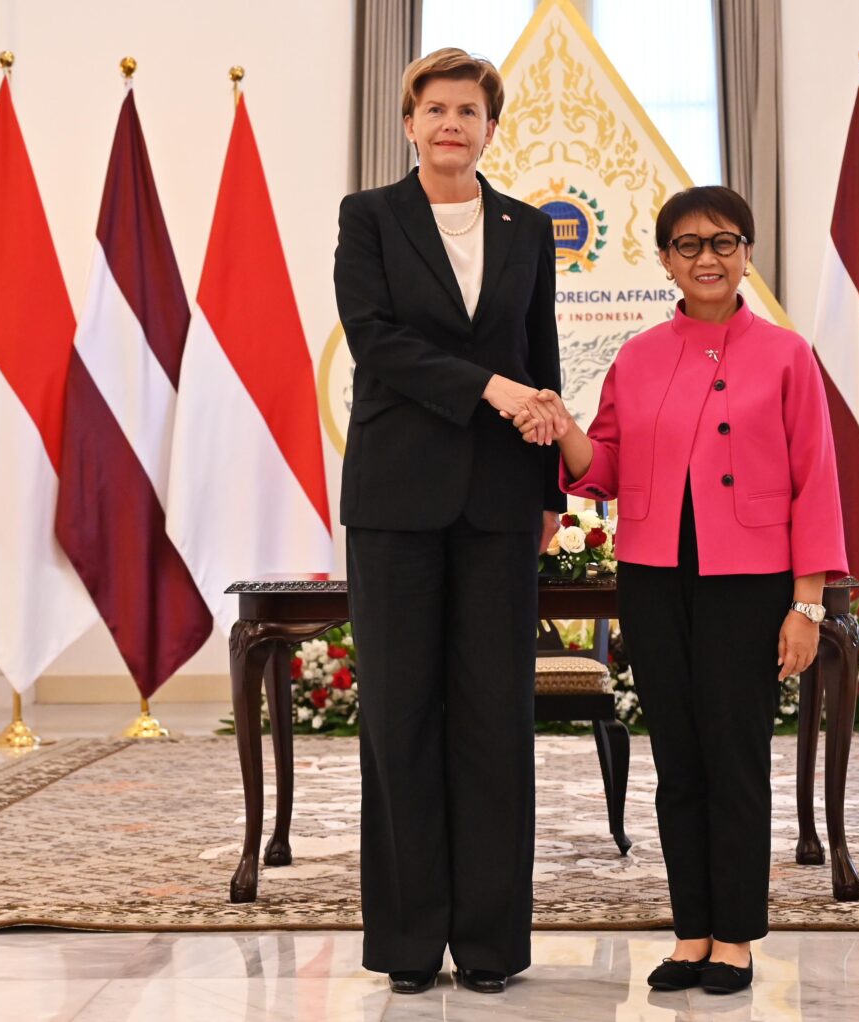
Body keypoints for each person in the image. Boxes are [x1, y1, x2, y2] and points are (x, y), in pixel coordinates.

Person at [513, 186, 848, 995]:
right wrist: (564, 431)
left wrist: (807, 604)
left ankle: (735, 938)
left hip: (752, 584)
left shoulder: (788, 355)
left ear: (746, 255)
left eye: (724, 242)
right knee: (679, 761)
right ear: (665, 259)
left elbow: (817, 484)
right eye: (689, 244)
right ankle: (690, 932)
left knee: (734, 758)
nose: (707, 258)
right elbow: (609, 468)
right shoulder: (637, 356)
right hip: (655, 580)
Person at [333, 47, 568, 996]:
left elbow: (540, 346)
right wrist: (490, 388)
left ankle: (489, 946)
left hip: (503, 501)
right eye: (433, 109)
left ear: (490, 127)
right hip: (396, 497)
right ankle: (405, 945)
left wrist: (550, 484)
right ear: (408, 123)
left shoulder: (525, 226)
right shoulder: (370, 218)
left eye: (468, 111)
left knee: (494, 718)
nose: (450, 125)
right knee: (398, 715)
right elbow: (376, 342)